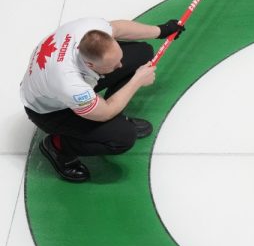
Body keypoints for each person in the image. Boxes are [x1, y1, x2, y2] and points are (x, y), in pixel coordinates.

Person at [20, 17, 184, 182]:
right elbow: (105, 112)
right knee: (123, 136)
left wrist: (162, 30)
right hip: (49, 111)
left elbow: (118, 29)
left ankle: (112, 119)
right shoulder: (70, 83)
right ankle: (57, 146)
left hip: (54, 82)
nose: (120, 65)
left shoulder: (90, 30)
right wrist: (137, 81)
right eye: (113, 65)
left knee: (142, 54)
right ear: (90, 65)